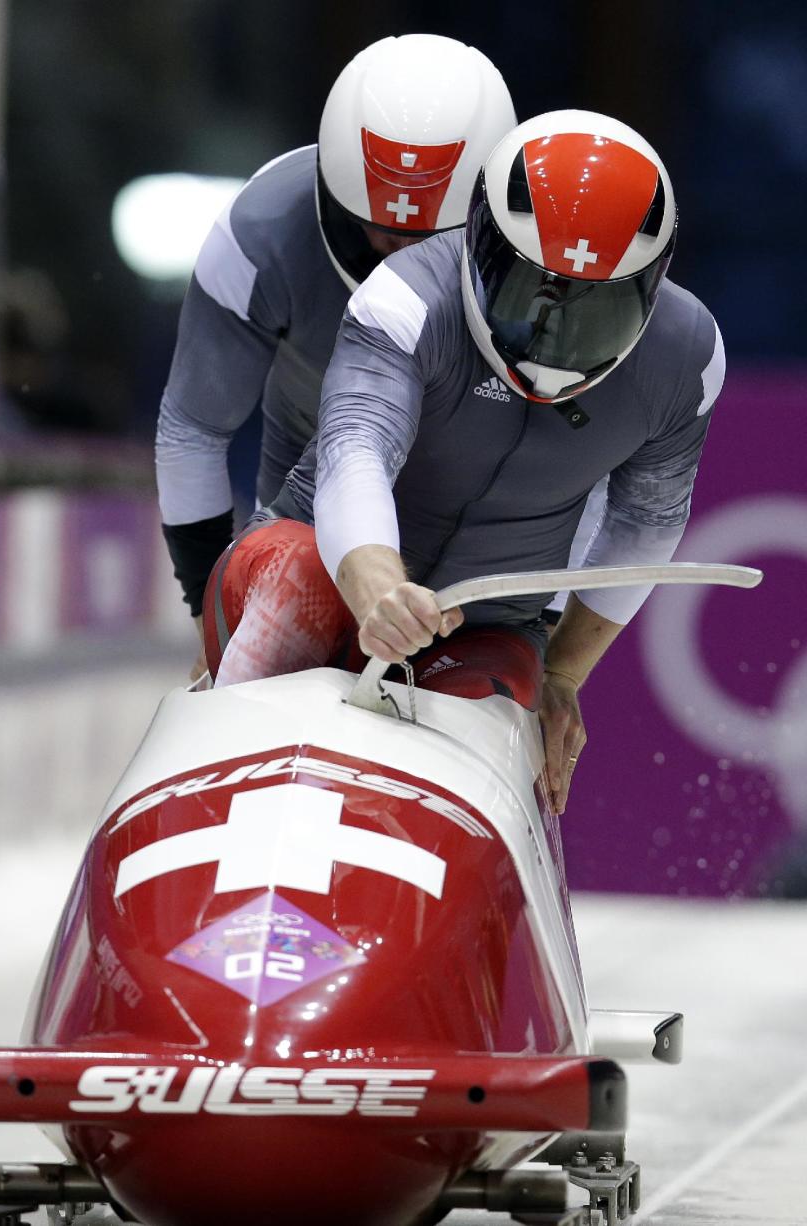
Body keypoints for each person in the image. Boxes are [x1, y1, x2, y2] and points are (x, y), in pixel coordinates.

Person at [201, 110, 726, 816]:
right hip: (316, 569)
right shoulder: (408, 296)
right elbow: (356, 451)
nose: (553, 341)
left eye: (593, 311)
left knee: (506, 687)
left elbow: (647, 518)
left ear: (650, 288)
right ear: (481, 246)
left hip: (487, 628)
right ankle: (220, 765)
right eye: (532, 296)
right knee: (302, 584)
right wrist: (378, 585)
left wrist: (563, 672)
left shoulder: (686, 357)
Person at [156, 34, 517, 669]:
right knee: (289, 589)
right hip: (306, 523)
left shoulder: (538, 262)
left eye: (427, 242)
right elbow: (193, 429)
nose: (394, 260)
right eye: (373, 229)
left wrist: (560, 658)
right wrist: (205, 617)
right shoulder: (259, 234)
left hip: (469, 556)